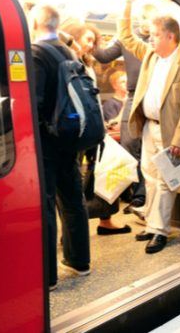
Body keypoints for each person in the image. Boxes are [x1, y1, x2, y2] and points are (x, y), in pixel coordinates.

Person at [119, 0, 180, 254]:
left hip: (170, 131)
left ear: (170, 36)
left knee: (165, 180)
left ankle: (160, 232)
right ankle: (152, 225)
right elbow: (126, 38)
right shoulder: (152, 55)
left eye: (155, 34)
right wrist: (127, 4)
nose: (150, 39)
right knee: (149, 176)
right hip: (149, 126)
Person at [30, 5, 91, 290]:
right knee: (73, 198)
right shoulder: (71, 51)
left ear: (34, 24)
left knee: (46, 203)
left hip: (46, 139)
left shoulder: (36, 53)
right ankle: (80, 262)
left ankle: (48, 276)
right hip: (71, 137)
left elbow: (36, 101)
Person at [63, 22, 131, 236]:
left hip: (93, 128)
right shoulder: (65, 62)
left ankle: (105, 220)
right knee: (74, 182)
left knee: (102, 173)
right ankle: (70, 231)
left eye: (94, 41)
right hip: (76, 130)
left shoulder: (88, 64)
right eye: (88, 40)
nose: (91, 45)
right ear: (74, 38)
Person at [94, 3, 158, 210]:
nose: (151, 23)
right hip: (133, 95)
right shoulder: (128, 39)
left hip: (155, 93)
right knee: (130, 143)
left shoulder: (161, 39)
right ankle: (138, 193)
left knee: (155, 143)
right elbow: (103, 57)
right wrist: (93, 40)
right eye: (148, 18)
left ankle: (153, 191)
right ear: (142, 19)